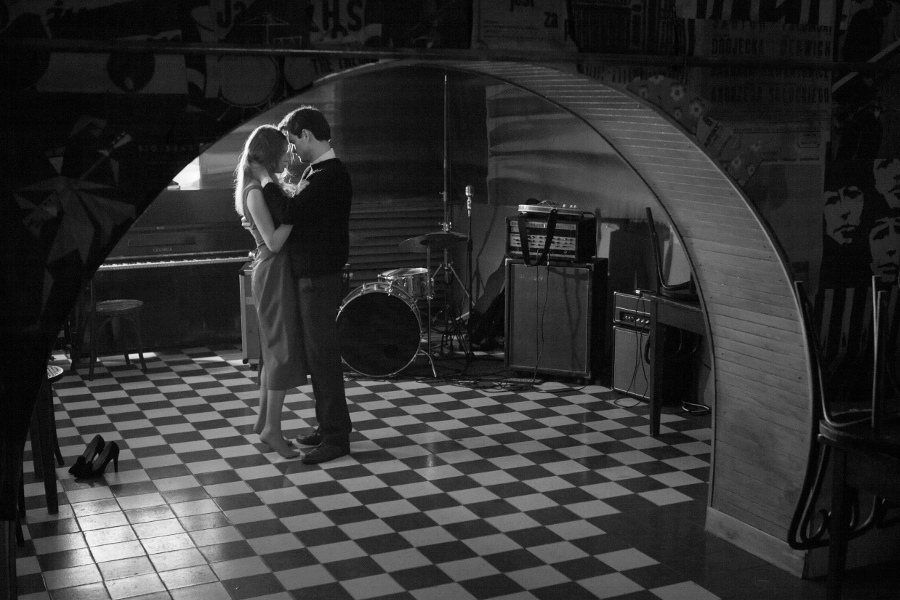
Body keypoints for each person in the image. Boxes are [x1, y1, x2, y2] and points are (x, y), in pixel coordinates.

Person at [257, 105, 353, 465]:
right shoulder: (318, 172)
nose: (292, 150)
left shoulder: (331, 175)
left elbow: (291, 213)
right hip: (313, 277)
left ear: (307, 135)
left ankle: (336, 437)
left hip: (319, 278)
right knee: (317, 357)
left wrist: (265, 180)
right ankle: (328, 427)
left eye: (293, 141)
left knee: (323, 358)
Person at [235, 124, 308, 459]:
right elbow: (275, 242)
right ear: (268, 155)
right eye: (283, 153)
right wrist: (297, 209)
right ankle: (272, 430)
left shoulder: (258, 186)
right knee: (281, 351)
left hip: (272, 270)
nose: (287, 159)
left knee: (271, 352)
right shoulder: (254, 191)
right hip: (272, 269)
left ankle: (263, 422)